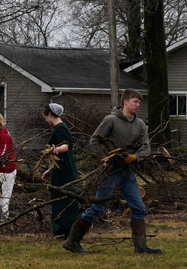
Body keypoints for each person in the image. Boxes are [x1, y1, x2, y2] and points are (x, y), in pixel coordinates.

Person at [64, 89, 162, 255]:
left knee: (138, 207)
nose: (138, 105)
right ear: (125, 102)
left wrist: (133, 157)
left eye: (139, 102)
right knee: (98, 209)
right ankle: (72, 242)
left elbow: (146, 148)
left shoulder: (140, 125)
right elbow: (94, 140)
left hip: (127, 171)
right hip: (110, 171)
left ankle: (141, 246)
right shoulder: (111, 120)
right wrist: (104, 158)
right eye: (135, 101)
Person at [42, 102, 79, 238]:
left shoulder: (60, 128)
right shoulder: (60, 128)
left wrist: (55, 149)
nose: (45, 120)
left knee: (65, 197)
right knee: (60, 197)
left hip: (65, 170)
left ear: (50, 115)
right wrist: (50, 170)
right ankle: (63, 230)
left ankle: (69, 230)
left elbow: (66, 146)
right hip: (59, 168)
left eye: (45, 117)